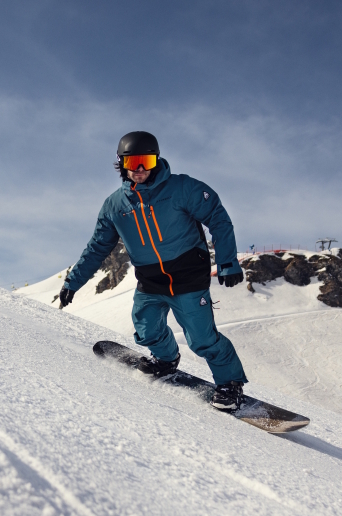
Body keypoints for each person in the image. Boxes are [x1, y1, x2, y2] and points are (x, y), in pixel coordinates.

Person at [58, 131, 248, 410]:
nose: (139, 170)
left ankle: (230, 384)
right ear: (121, 164)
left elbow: (218, 218)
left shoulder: (183, 188)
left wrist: (228, 262)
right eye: (132, 162)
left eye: (145, 161)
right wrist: (73, 283)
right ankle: (165, 360)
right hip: (150, 279)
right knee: (146, 328)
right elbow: (98, 247)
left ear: (156, 160)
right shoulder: (114, 206)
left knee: (203, 338)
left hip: (188, 275)